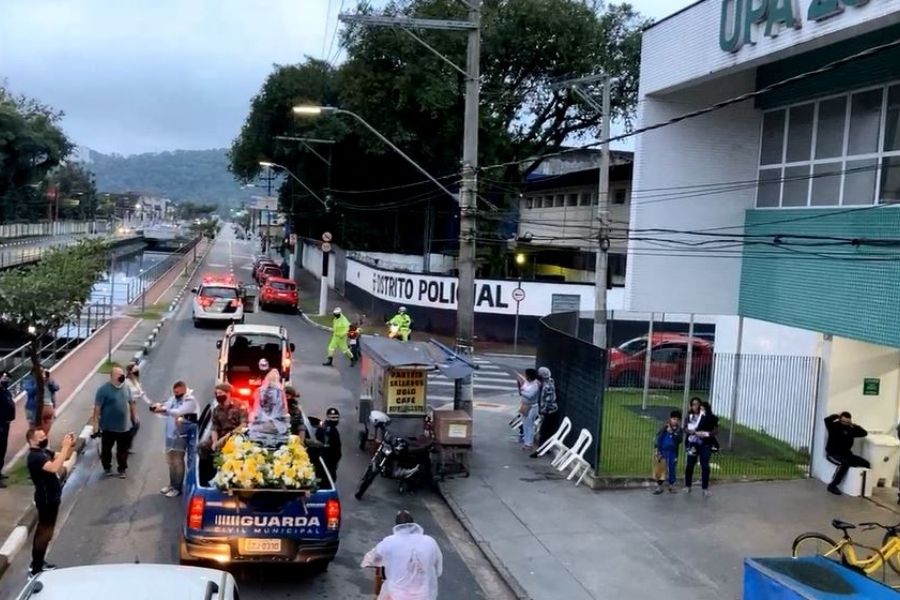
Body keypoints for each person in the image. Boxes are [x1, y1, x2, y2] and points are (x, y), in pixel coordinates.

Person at [361, 510, 443, 600]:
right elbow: (437, 565)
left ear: (397, 526)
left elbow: (372, 557)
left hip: (397, 595)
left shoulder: (389, 542)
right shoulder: (429, 541)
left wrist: (369, 562)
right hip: (423, 594)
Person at [26, 427, 75, 575]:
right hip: (46, 500)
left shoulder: (44, 452)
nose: (43, 438)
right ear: (31, 441)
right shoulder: (35, 457)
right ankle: (36, 569)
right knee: (44, 534)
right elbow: (54, 468)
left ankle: (38, 562)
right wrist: (65, 447)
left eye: (43, 436)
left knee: (46, 533)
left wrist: (69, 446)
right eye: (39, 437)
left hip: (52, 498)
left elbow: (64, 457)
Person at [150, 381, 199, 497]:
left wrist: (164, 410)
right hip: (170, 434)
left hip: (180, 435)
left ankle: (177, 488)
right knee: (171, 461)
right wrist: (157, 407)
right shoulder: (173, 399)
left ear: (184, 390)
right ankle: (172, 485)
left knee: (177, 461)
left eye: (178, 392)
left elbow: (178, 412)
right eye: (174, 392)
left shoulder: (190, 401)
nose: (176, 394)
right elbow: (166, 407)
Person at [92, 365, 138, 478]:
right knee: (106, 449)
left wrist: (134, 417)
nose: (121, 376)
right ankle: (107, 467)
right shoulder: (103, 390)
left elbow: (131, 403)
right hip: (108, 427)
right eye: (118, 374)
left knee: (123, 450)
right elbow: (97, 408)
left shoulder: (126, 388)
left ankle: (122, 469)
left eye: (122, 373)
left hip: (124, 426)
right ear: (112, 376)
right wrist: (96, 425)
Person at [824, 411, 869, 495]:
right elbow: (827, 420)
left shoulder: (851, 429)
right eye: (843, 421)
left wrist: (853, 425)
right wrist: (837, 416)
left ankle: (863, 488)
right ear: (840, 419)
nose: (845, 423)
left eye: (847, 422)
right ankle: (832, 485)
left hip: (846, 454)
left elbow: (864, 433)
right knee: (845, 463)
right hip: (833, 453)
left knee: (866, 464)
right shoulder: (834, 426)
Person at [683, 397, 718, 497]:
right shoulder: (689, 416)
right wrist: (691, 431)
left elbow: (715, 430)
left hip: (705, 443)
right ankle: (687, 485)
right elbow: (685, 428)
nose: (695, 406)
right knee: (690, 464)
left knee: (705, 465)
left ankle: (705, 488)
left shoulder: (707, 416)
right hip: (693, 443)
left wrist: (707, 434)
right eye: (693, 404)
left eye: (697, 404)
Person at [247, 369, 290, 445]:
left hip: (260, 427)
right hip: (277, 428)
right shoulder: (281, 391)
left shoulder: (259, 391)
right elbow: (285, 410)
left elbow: (255, 409)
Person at [208, 383, 248, 451]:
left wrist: (228, 436)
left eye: (220, 393)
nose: (218, 395)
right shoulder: (217, 409)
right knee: (202, 446)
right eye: (216, 393)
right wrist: (215, 442)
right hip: (221, 436)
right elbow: (214, 427)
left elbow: (244, 425)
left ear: (228, 393)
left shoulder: (240, 405)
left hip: (235, 435)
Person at [653, 410, 683, 494]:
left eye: (677, 419)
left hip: (673, 452)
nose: (675, 421)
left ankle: (671, 485)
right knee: (660, 469)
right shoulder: (664, 428)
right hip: (663, 451)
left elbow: (679, 440)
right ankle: (659, 487)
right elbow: (659, 439)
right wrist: (658, 451)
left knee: (672, 468)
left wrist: (672, 433)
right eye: (674, 419)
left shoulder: (679, 430)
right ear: (670, 419)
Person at [531, 366, 559, 458]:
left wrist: (543, 413)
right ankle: (544, 448)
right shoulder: (547, 383)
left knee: (544, 431)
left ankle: (541, 450)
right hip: (549, 411)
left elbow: (547, 401)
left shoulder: (547, 386)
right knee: (546, 431)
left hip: (550, 412)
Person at [124, 363, 151, 451]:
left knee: (136, 424)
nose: (136, 374)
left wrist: (150, 403)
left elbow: (141, 393)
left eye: (137, 372)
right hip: (127, 406)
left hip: (133, 404)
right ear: (130, 372)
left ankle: (127, 444)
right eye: (135, 372)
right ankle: (125, 444)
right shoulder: (126, 382)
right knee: (135, 424)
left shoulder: (136, 381)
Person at [517, 368, 541, 451]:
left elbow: (530, 395)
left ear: (530, 376)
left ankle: (529, 443)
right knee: (525, 425)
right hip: (525, 405)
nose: (525, 376)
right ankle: (526, 441)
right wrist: (521, 385)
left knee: (529, 426)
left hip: (532, 407)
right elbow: (524, 387)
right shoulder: (528, 383)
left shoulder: (536, 384)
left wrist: (522, 391)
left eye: (526, 375)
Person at [316, 407, 342, 478]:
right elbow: (337, 449)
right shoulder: (334, 431)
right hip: (330, 462)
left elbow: (317, 436)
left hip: (320, 461)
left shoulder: (322, 426)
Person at [0, 371, 14, 487]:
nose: (6, 381)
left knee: (2, 448)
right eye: (4, 379)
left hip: (5, 424)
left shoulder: (6, 391)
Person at [39, 371, 59, 435]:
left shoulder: (38, 383)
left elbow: (56, 387)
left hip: (42, 406)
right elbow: (56, 388)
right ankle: (45, 439)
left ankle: (42, 439)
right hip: (49, 406)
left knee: (41, 426)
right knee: (47, 425)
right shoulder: (49, 382)